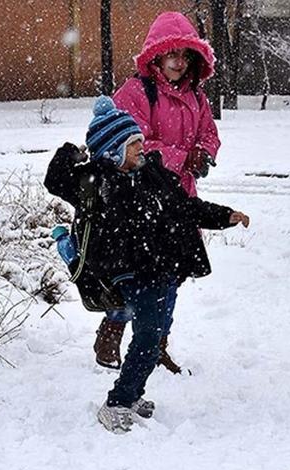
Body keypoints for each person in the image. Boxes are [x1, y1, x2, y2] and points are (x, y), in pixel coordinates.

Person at [45, 96, 249, 433]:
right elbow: (56, 180)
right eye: (133, 143)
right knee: (148, 338)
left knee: (153, 337)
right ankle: (117, 403)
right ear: (113, 150)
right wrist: (72, 152)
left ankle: (133, 392)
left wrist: (225, 215)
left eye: (140, 140)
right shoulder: (97, 183)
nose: (141, 147)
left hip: (165, 267)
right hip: (132, 271)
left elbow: (188, 207)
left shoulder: (154, 175)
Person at [92, 11, 221, 371]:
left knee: (173, 274)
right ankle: (114, 329)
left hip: (180, 199)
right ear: (156, 56)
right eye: (172, 54)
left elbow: (209, 134)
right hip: (142, 201)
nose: (179, 62)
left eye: (185, 55)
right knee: (137, 273)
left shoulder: (197, 96)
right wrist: (182, 156)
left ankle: (156, 343)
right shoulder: (136, 92)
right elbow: (131, 144)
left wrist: (205, 153)